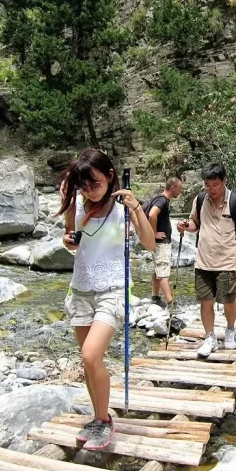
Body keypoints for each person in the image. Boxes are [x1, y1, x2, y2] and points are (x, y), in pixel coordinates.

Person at [58, 148, 155, 450]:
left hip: (113, 289)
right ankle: (99, 417)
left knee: (90, 355)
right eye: (84, 185)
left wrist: (137, 208)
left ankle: (105, 420)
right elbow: (74, 245)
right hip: (82, 288)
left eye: (95, 184)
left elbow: (150, 244)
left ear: (110, 177)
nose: (89, 190)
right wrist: (68, 241)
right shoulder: (78, 205)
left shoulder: (122, 208)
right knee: (89, 362)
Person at [177, 164, 236, 357]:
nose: (212, 189)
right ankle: (210, 337)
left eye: (216, 185)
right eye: (208, 185)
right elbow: (195, 223)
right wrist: (186, 226)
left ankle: (230, 330)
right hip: (203, 261)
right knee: (205, 301)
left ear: (224, 181)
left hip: (227, 261)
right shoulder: (200, 200)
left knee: (229, 301)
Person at [146, 178, 183, 308]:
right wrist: (154, 233)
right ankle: (170, 302)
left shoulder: (159, 198)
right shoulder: (162, 200)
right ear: (172, 187)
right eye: (179, 188)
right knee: (163, 271)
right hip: (161, 242)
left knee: (158, 269)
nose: (180, 191)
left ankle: (155, 297)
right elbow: (152, 215)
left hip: (159, 242)